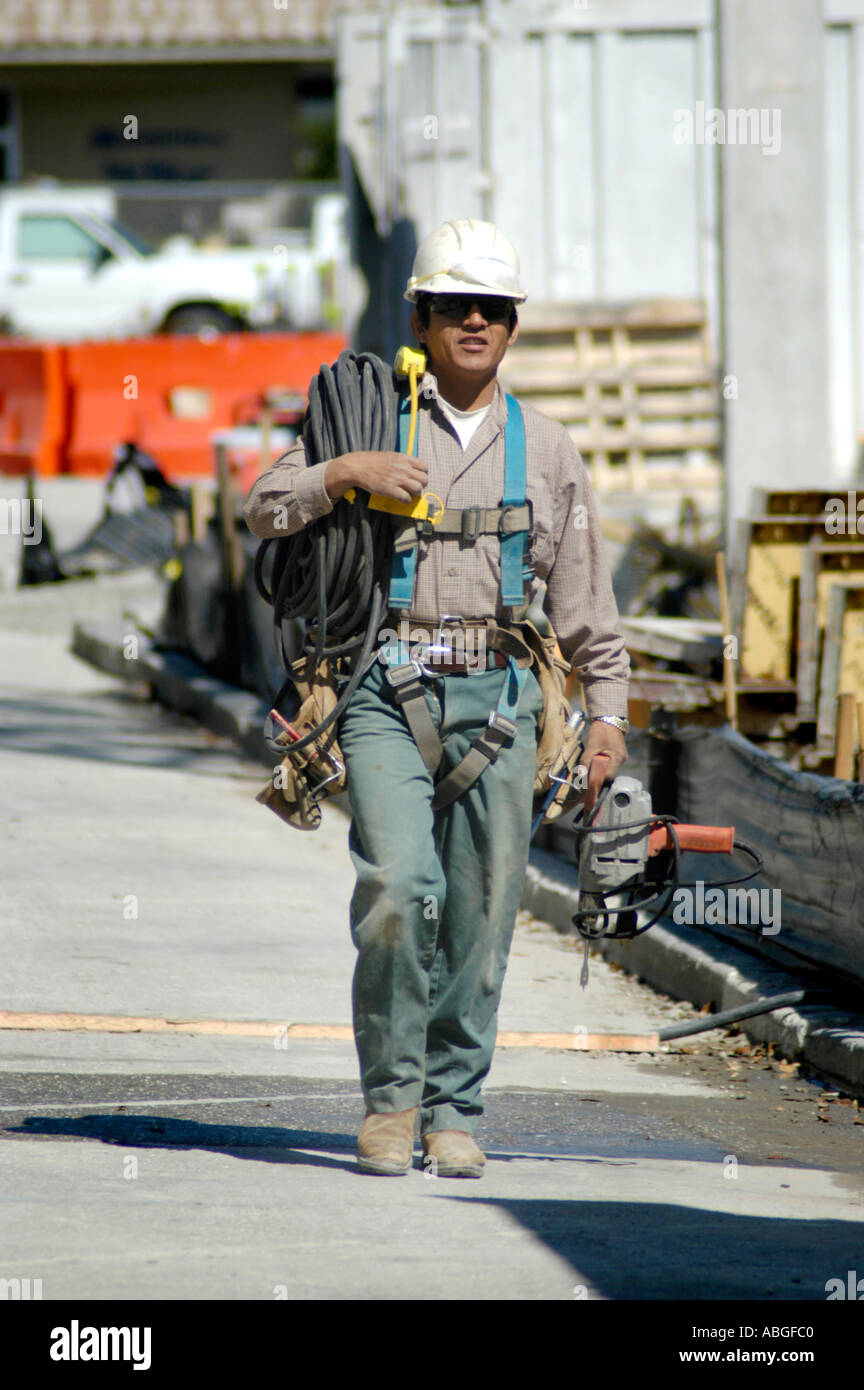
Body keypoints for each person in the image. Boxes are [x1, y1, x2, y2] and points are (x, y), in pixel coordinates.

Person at [244, 219, 629, 1179]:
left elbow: (584, 596)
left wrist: (610, 717)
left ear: (511, 327)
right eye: (453, 305)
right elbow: (262, 508)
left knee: (483, 911)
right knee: (397, 890)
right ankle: (391, 1103)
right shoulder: (370, 423)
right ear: (419, 315)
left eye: (492, 309)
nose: (473, 321)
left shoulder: (547, 450)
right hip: (386, 686)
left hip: (499, 701)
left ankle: (455, 1106)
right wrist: (342, 476)